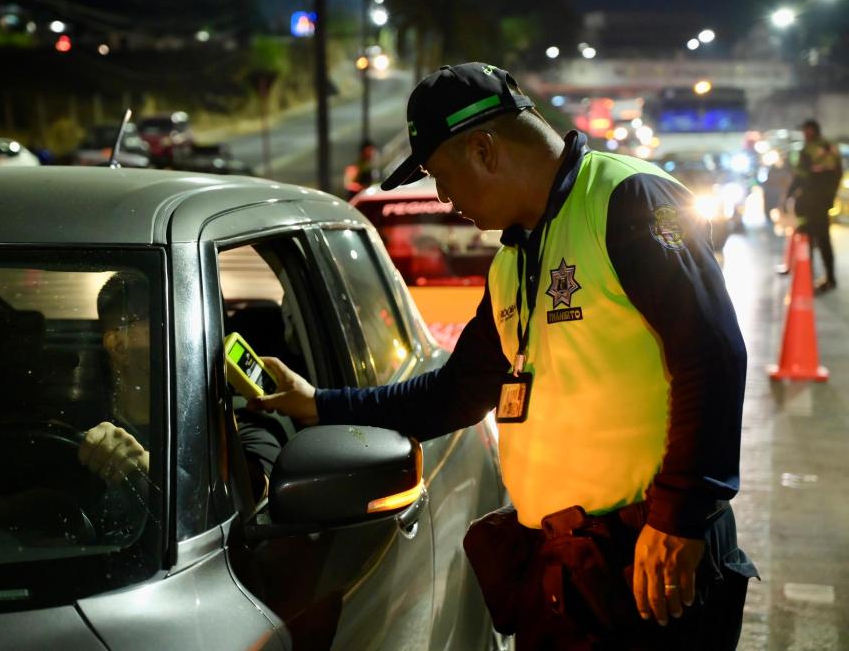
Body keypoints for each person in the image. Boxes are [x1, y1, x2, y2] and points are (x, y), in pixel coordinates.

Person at [252, 63, 757, 649]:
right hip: (574, 574)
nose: (443, 198)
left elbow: (712, 356)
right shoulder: (511, 262)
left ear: (485, 149)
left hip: (650, 566)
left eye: (442, 177)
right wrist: (319, 406)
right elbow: (455, 394)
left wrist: (679, 517)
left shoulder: (627, 200)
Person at [79, 273, 281, 499]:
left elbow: (257, 493)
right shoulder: (82, 429)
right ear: (118, 346)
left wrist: (147, 468)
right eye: (166, 319)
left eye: (190, 320)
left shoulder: (235, 423)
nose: (188, 334)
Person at [788, 119, 843, 293]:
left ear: (811, 131)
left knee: (807, 239)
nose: (804, 135)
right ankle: (831, 278)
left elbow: (800, 177)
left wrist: (789, 195)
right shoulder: (831, 148)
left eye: (805, 131)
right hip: (824, 201)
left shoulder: (808, 150)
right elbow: (838, 173)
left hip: (810, 201)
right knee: (824, 240)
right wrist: (830, 197)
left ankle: (806, 278)